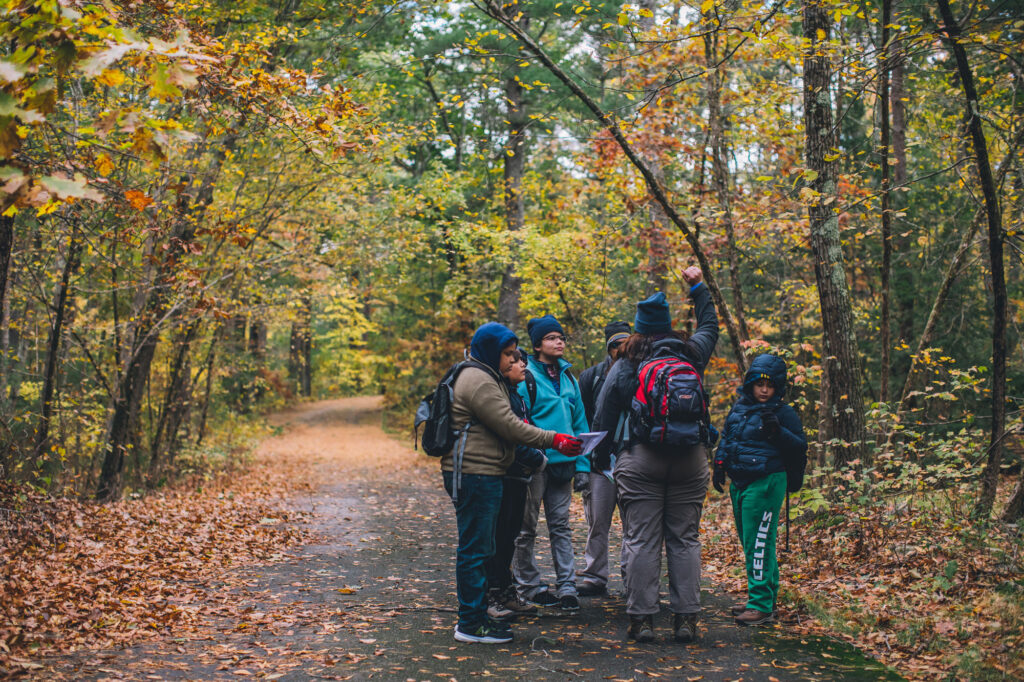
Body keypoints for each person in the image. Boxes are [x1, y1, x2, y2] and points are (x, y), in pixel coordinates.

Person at [591, 266, 719, 643]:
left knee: (642, 538)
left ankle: (643, 619)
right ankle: (686, 620)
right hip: (691, 459)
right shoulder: (692, 353)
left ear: (638, 328)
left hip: (641, 459)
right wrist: (696, 286)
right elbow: (710, 324)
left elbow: (603, 414)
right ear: (669, 325)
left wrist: (601, 461)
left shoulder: (627, 362)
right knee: (685, 538)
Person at [442, 322, 583, 644]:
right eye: (507, 354)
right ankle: (471, 623)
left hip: (484, 471)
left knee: (482, 546)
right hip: (475, 473)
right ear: (492, 352)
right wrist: (554, 440)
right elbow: (510, 426)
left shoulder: (484, 375)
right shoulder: (478, 379)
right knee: (475, 549)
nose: (511, 361)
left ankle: (475, 618)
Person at [712, 353, 808, 626]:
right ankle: (764, 597)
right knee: (750, 541)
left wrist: (778, 431)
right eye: (759, 384)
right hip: (740, 481)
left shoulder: (783, 413)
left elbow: (799, 446)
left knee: (760, 543)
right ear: (750, 384)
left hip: (767, 481)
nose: (764, 390)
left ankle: (761, 605)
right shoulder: (740, 408)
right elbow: (728, 438)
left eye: (770, 385)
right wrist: (719, 464)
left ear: (778, 386)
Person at [512, 314, 590, 611]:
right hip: (535, 464)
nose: (560, 342)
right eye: (552, 338)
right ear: (538, 344)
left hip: (565, 465)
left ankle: (567, 586)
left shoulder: (569, 377)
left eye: (561, 337)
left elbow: (580, 424)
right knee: (526, 528)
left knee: (561, 526)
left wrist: (582, 467)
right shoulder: (526, 376)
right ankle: (529, 587)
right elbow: (519, 420)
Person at [485, 349, 548, 620]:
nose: (523, 365)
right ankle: (491, 596)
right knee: (497, 539)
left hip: (519, 476)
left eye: (522, 360)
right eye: (517, 361)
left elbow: (528, 430)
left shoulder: (517, 396)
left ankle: (506, 592)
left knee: (509, 537)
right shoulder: (500, 397)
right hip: (504, 475)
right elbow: (513, 435)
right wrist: (539, 459)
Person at [576, 321, 631, 597]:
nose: (621, 350)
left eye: (626, 344)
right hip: (600, 462)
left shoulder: (643, 373)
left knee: (634, 524)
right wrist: (585, 463)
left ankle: (632, 577)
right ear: (608, 349)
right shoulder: (590, 378)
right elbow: (581, 420)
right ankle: (595, 576)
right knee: (598, 521)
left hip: (633, 459)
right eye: (616, 346)